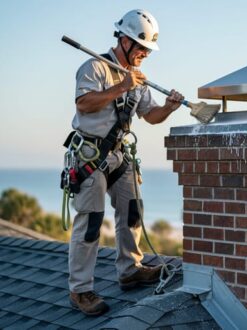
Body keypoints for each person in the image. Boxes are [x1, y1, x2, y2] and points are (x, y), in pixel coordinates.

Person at [66, 9, 184, 315]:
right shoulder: (94, 67)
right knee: (90, 223)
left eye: (147, 50)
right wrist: (122, 86)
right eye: (141, 47)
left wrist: (169, 108)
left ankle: (130, 269)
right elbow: (84, 104)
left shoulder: (138, 80)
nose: (145, 54)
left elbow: (152, 116)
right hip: (89, 155)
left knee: (133, 211)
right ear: (124, 40)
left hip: (119, 155)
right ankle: (80, 290)